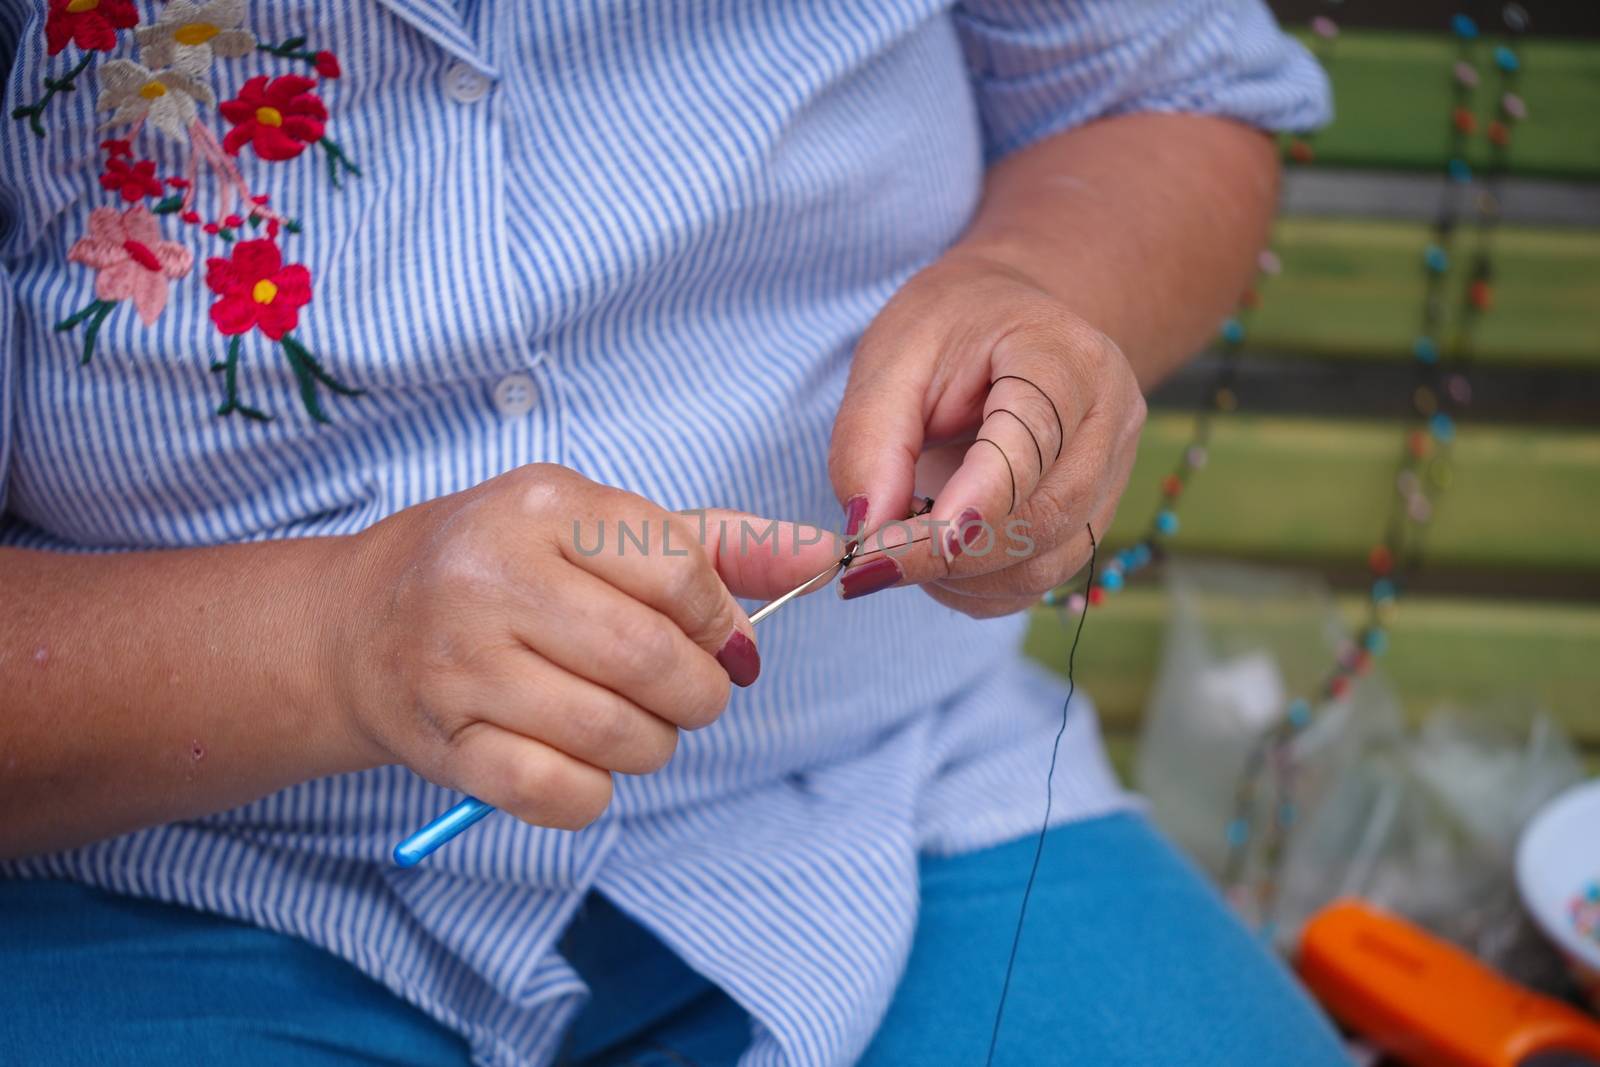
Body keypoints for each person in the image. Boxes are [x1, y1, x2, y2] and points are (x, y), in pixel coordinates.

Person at [0, 1, 1348, 1063]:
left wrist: (1035, 291)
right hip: (162, 872)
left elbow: (1162, 89)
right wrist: (338, 636)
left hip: (889, 795)